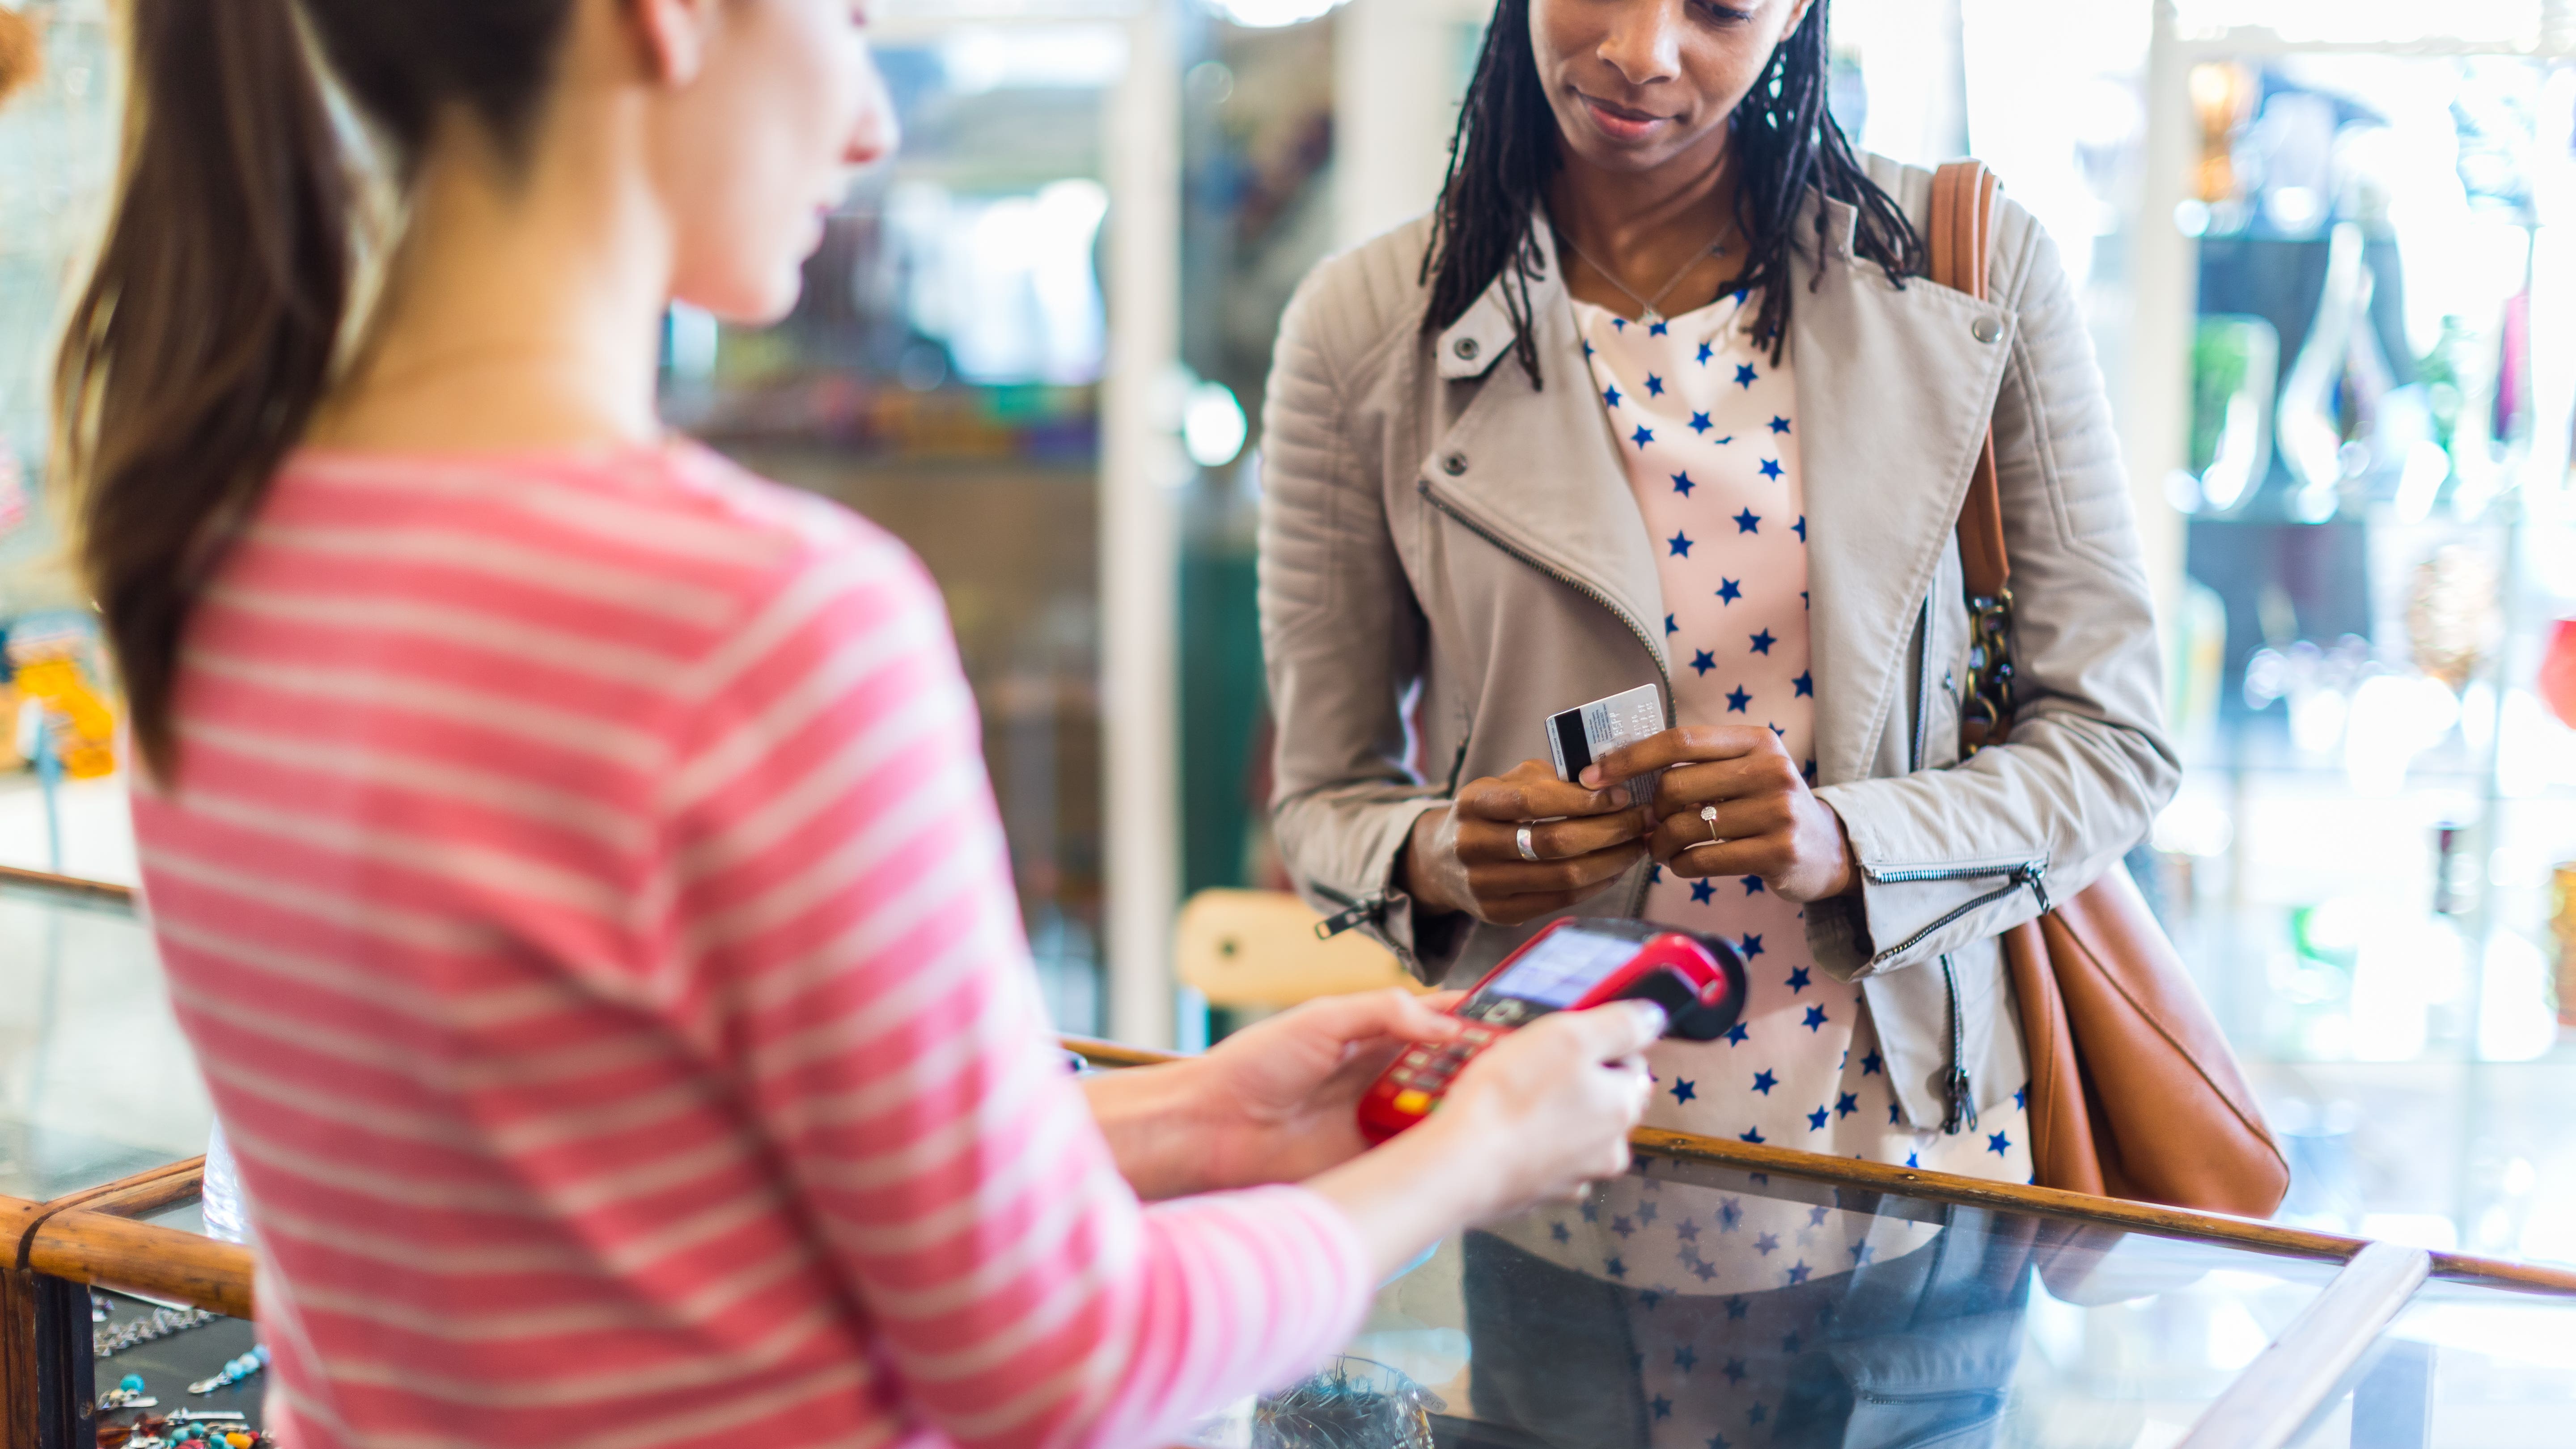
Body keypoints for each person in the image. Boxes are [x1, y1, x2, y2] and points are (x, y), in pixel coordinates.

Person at [55, 4, 1664, 1446]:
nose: (873, 122)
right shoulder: (758, 625)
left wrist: (1204, 1113)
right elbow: (1060, 1363)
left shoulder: (211, 557)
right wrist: (1462, 1166)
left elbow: (613, 1185)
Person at [1257, 0, 2175, 1409]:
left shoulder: (1966, 273)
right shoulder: (1369, 327)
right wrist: (1451, 852)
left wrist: (1847, 840)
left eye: (1722, 7)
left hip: (1905, 1194)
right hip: (1543, 1177)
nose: (1641, 52)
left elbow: (2115, 743)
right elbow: (1323, 796)